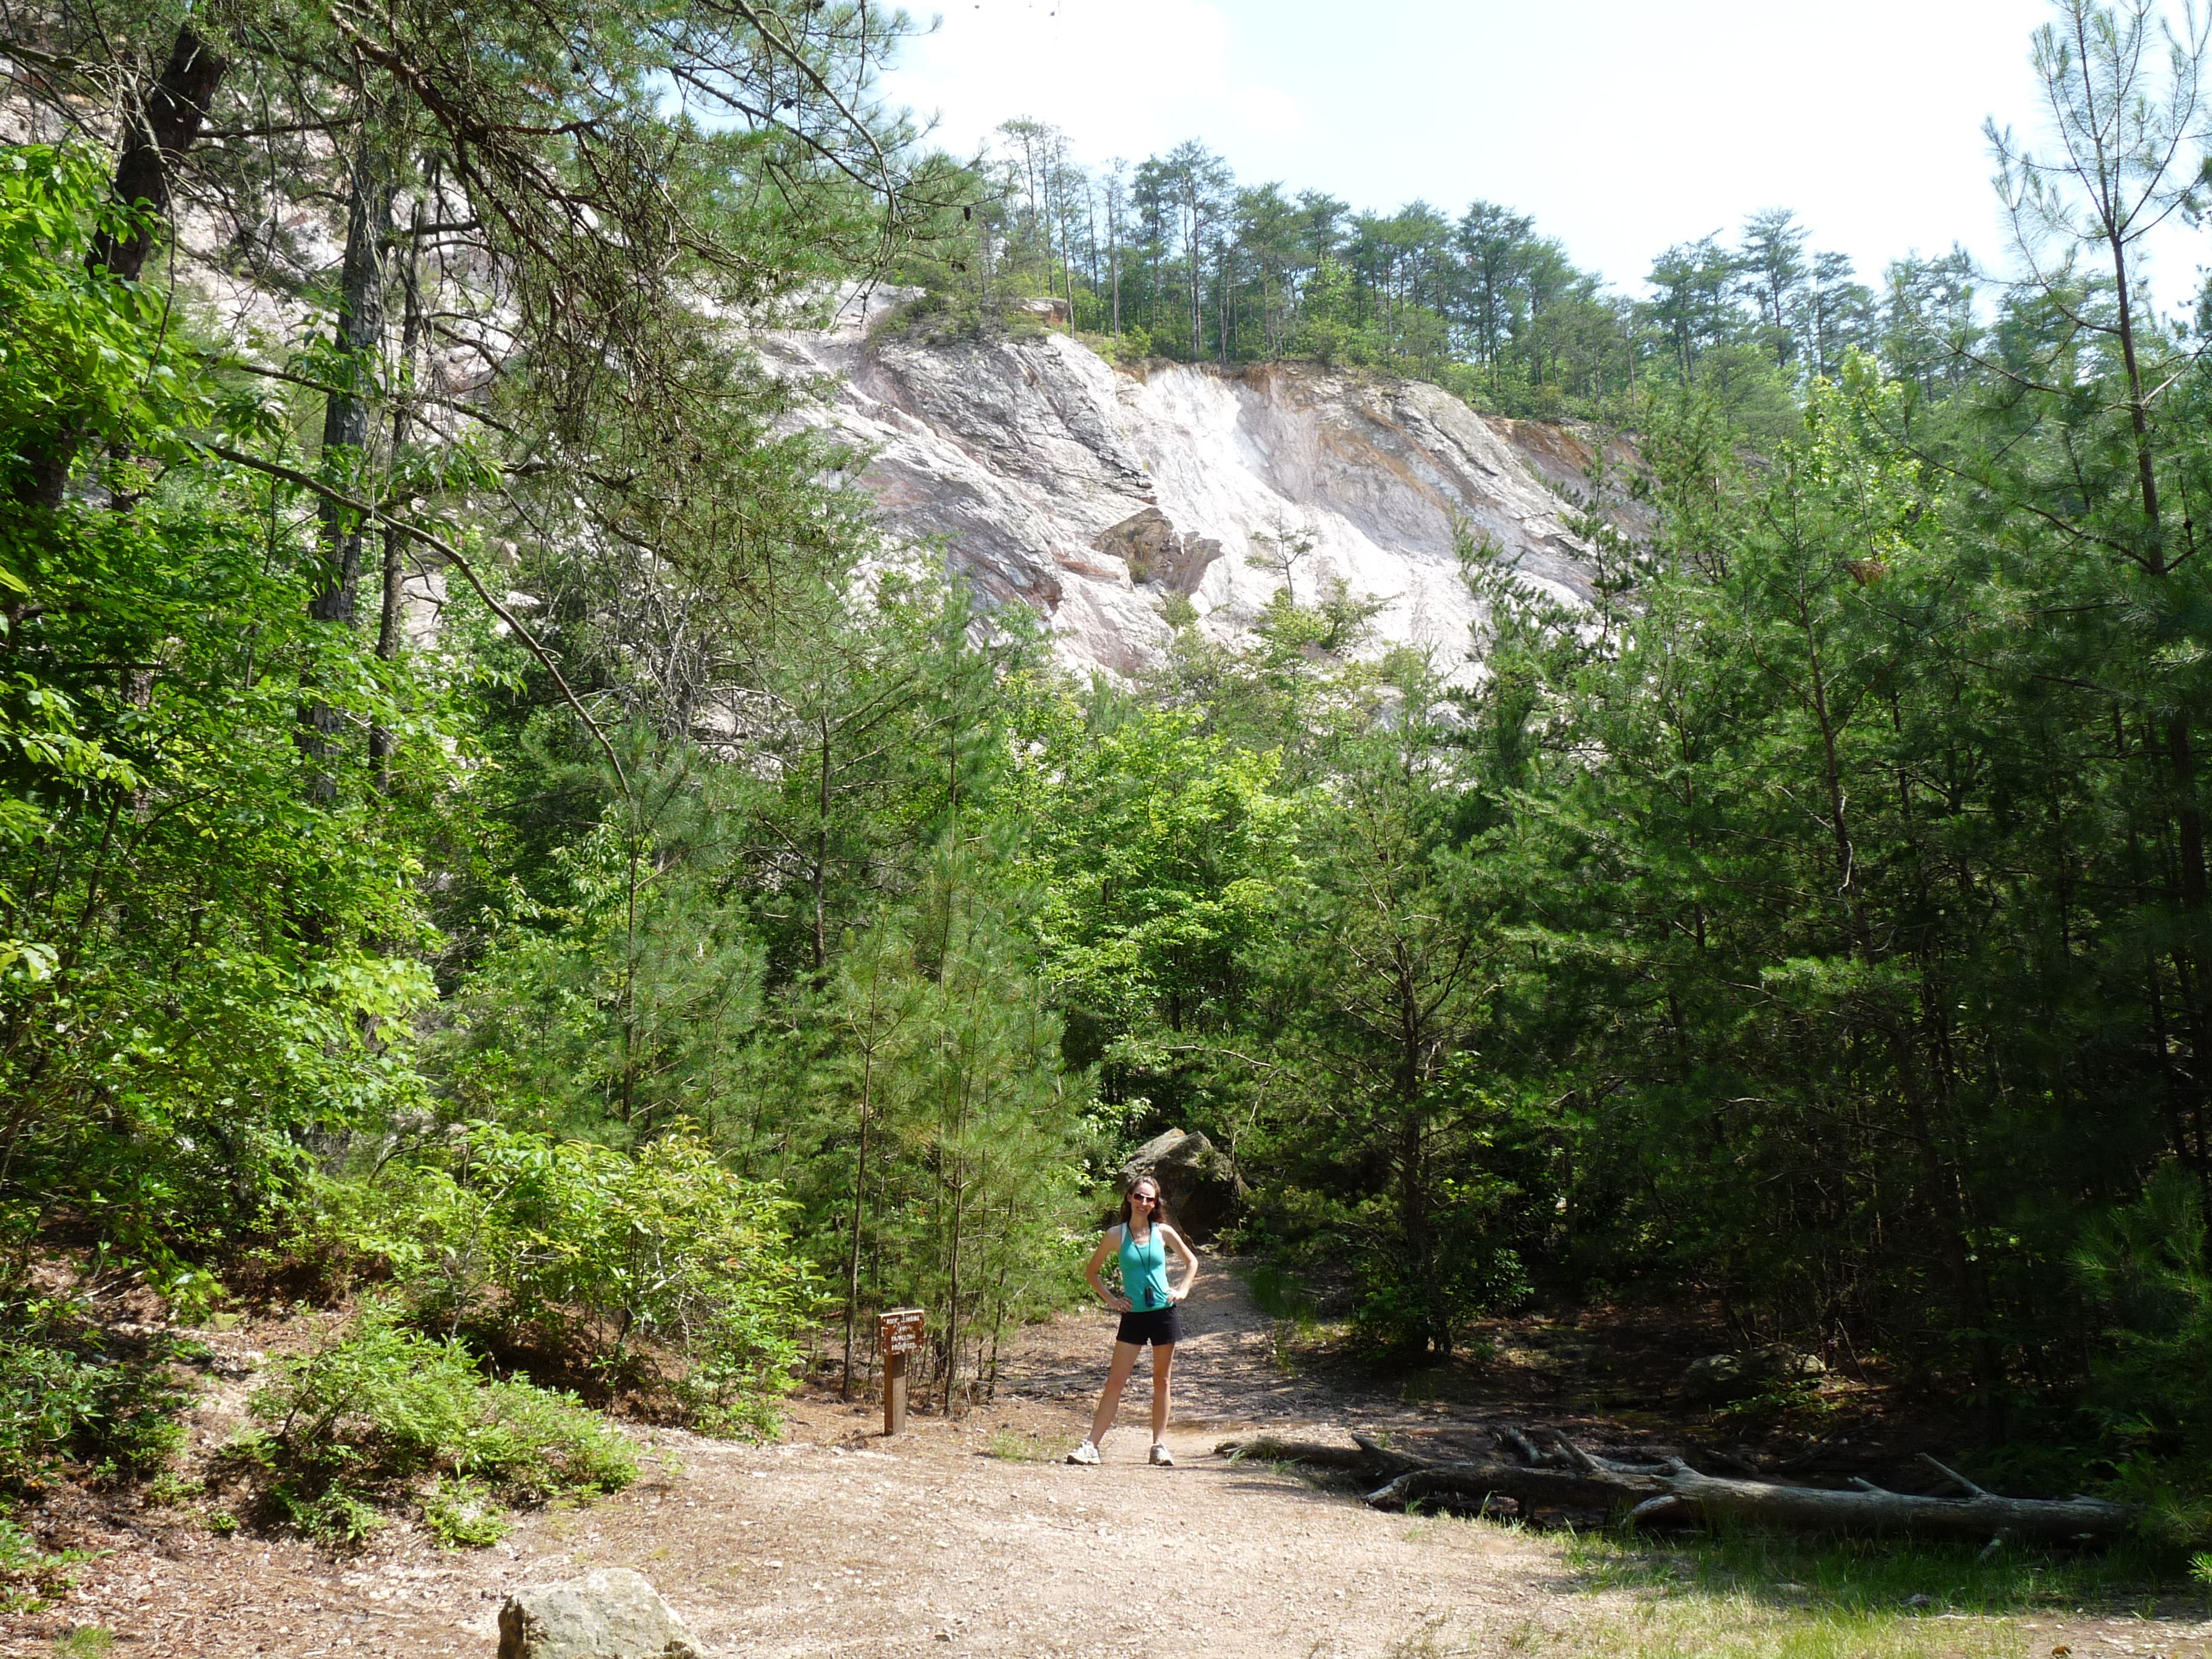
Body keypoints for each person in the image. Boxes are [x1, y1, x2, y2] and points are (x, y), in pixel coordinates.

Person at [1065, 1173, 1199, 1467]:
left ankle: (1159, 1446)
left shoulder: (1163, 1232)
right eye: (1139, 1196)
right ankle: (1091, 1447)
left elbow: (1192, 1261)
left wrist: (1183, 1289)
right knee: (1115, 1382)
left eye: (1150, 1199)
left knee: (1162, 1381)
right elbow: (1092, 1273)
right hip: (1133, 1316)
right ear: (1129, 1197)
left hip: (1163, 1313)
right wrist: (1112, 1300)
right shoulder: (1116, 1235)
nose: (1144, 1203)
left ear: (1155, 1203)